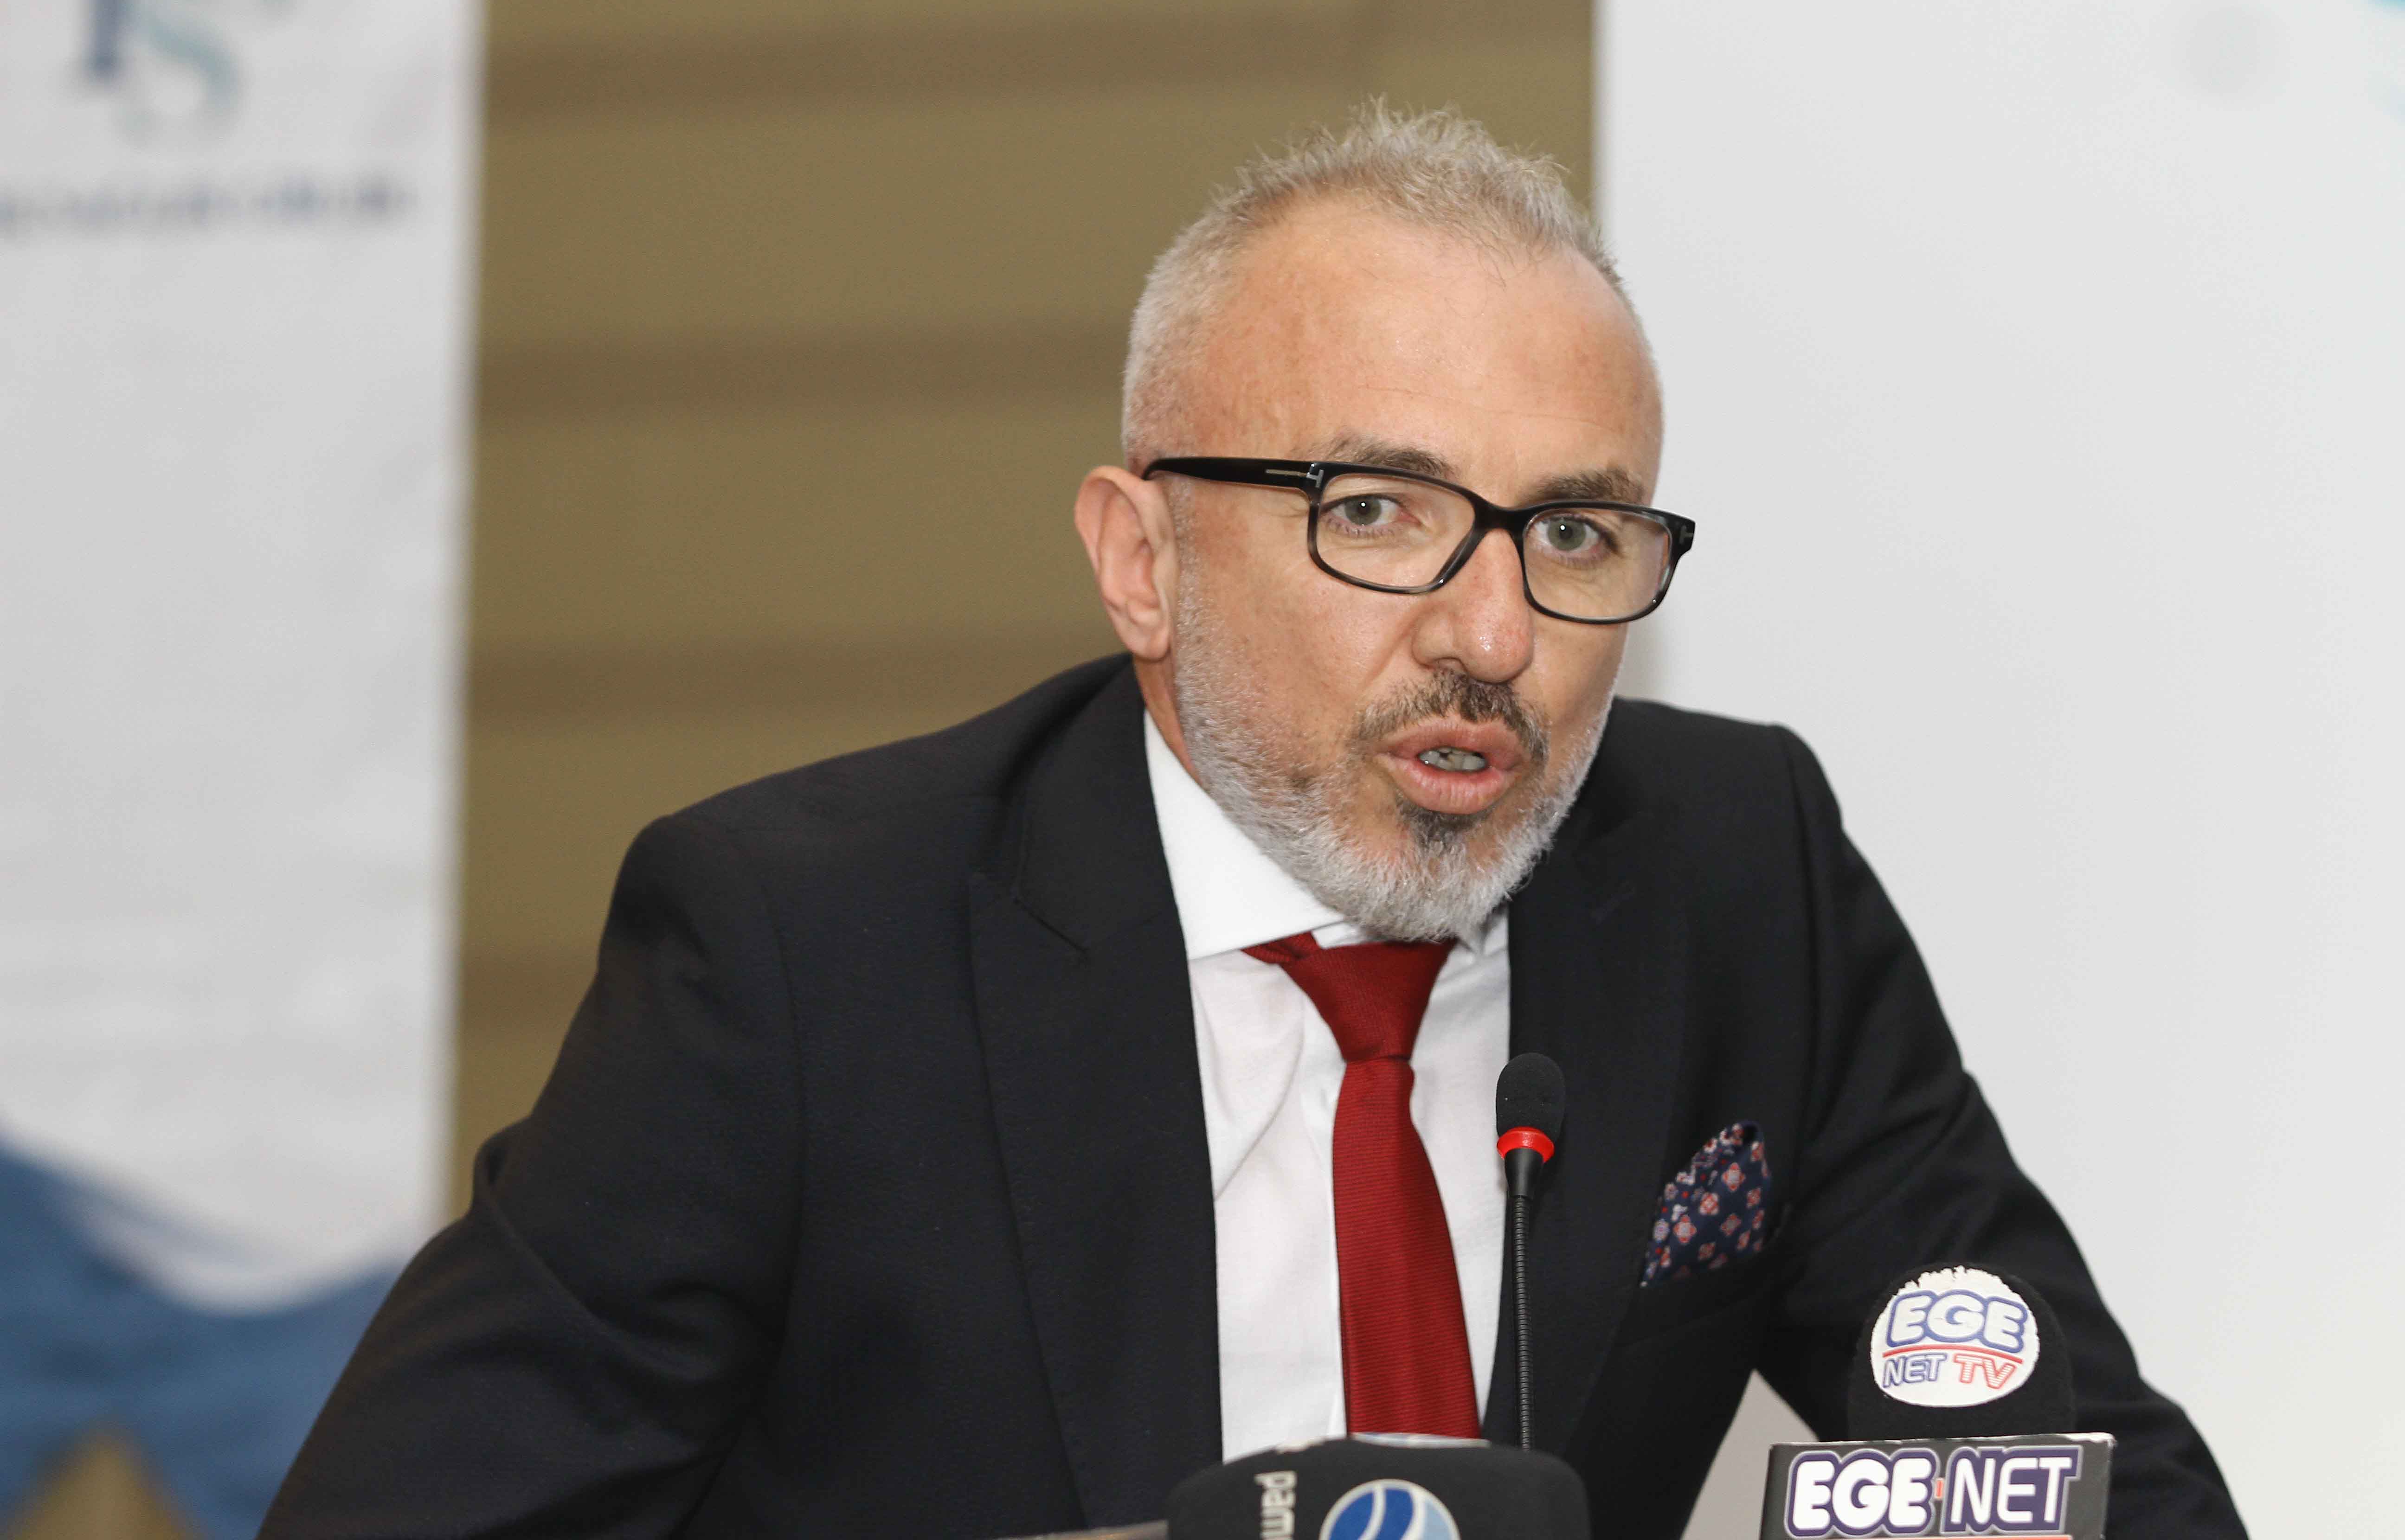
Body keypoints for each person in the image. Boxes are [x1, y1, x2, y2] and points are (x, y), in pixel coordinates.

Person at [262, 108, 2244, 1540]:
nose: (1493, 636)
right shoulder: (801, 954)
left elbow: (2079, 1481)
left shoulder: (1738, 880)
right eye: (1377, 512)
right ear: (1141, 560)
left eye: (1572, 533)